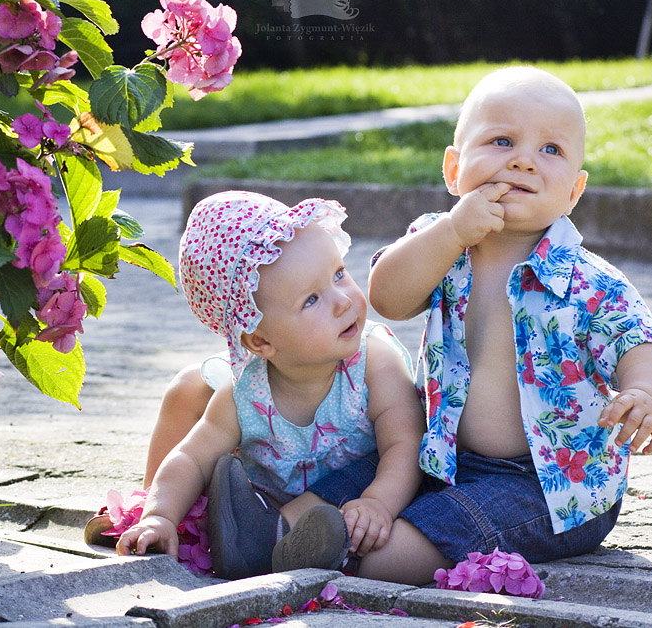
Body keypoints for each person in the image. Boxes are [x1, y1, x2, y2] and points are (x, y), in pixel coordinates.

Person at [358, 66, 652, 585]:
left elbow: (639, 341)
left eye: (550, 149)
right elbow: (387, 298)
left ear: (573, 192)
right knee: (353, 474)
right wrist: (452, 232)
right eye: (502, 141)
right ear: (454, 169)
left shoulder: (589, 280)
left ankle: (343, 553)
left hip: (548, 486)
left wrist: (644, 393)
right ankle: (276, 526)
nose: (523, 160)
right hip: (440, 457)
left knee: (418, 538)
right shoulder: (437, 243)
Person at [113, 191, 425, 580]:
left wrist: (379, 502)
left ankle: (285, 545)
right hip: (268, 513)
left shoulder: (374, 362)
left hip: (358, 497)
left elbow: (405, 443)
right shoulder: (246, 393)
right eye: (311, 300)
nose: (343, 301)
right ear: (260, 342)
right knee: (190, 398)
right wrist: (160, 515)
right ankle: (168, 523)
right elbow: (191, 457)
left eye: (339, 274)